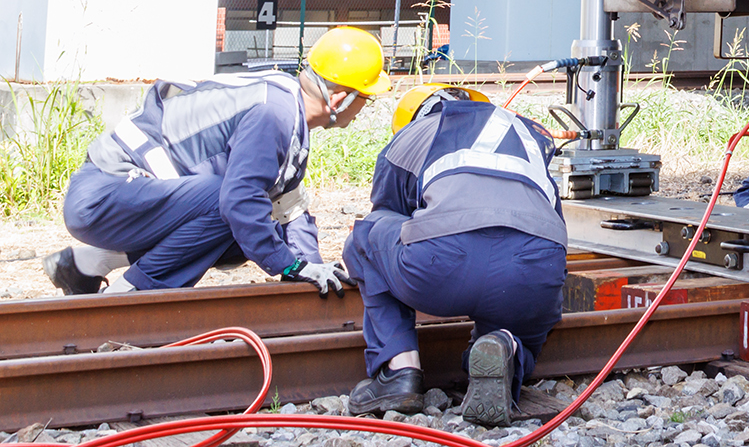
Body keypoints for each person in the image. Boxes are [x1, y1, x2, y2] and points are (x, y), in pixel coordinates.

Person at [43, 26, 387, 295]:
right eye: (365, 100)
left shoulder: (288, 112)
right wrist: (288, 266)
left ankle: (89, 263)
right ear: (340, 98)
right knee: (236, 209)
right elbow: (238, 202)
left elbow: (289, 208)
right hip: (104, 194)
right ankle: (128, 297)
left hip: (126, 198)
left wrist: (310, 270)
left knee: (246, 233)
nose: (363, 110)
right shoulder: (274, 115)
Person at [343, 84, 568, 425]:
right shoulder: (528, 135)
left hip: (443, 268)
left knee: (367, 235)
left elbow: (388, 211)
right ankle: (506, 347)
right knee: (519, 316)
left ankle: (398, 370)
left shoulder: (414, 133)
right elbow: (552, 219)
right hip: (533, 274)